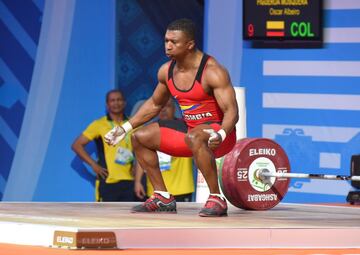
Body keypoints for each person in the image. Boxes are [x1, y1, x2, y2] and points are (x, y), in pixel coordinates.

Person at [105, 18, 238, 216]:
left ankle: (217, 198)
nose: (167, 45)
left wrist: (221, 134)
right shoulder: (166, 71)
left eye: (173, 42)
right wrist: (124, 128)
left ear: (189, 44)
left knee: (196, 136)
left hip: (219, 135)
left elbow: (232, 112)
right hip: (191, 134)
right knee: (139, 137)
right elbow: (155, 104)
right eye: (166, 40)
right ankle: (162, 197)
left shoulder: (212, 72)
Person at [72, 89, 137, 202]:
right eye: (112, 100)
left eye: (119, 100)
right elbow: (76, 145)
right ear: (107, 104)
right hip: (108, 182)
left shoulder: (133, 123)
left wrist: (138, 165)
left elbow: (143, 149)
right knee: (107, 219)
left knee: (128, 219)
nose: (116, 103)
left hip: (130, 182)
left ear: (125, 102)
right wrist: (93, 164)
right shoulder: (99, 124)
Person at [134, 99, 195, 202]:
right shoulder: (149, 130)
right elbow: (142, 157)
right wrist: (137, 181)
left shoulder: (186, 127)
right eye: (161, 107)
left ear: (174, 108)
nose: (163, 110)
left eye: (167, 106)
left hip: (182, 188)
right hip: (156, 190)